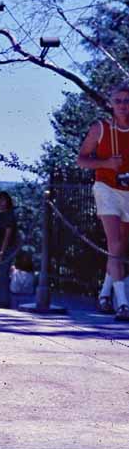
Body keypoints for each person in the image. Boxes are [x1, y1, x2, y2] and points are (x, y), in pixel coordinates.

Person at [78, 82, 129, 322]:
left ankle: (104, 295)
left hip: (127, 191)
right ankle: (123, 303)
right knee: (115, 241)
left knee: (119, 246)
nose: (123, 106)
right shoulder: (101, 129)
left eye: (127, 101)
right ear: (111, 103)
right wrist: (106, 164)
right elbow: (82, 160)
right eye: (118, 101)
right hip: (106, 188)